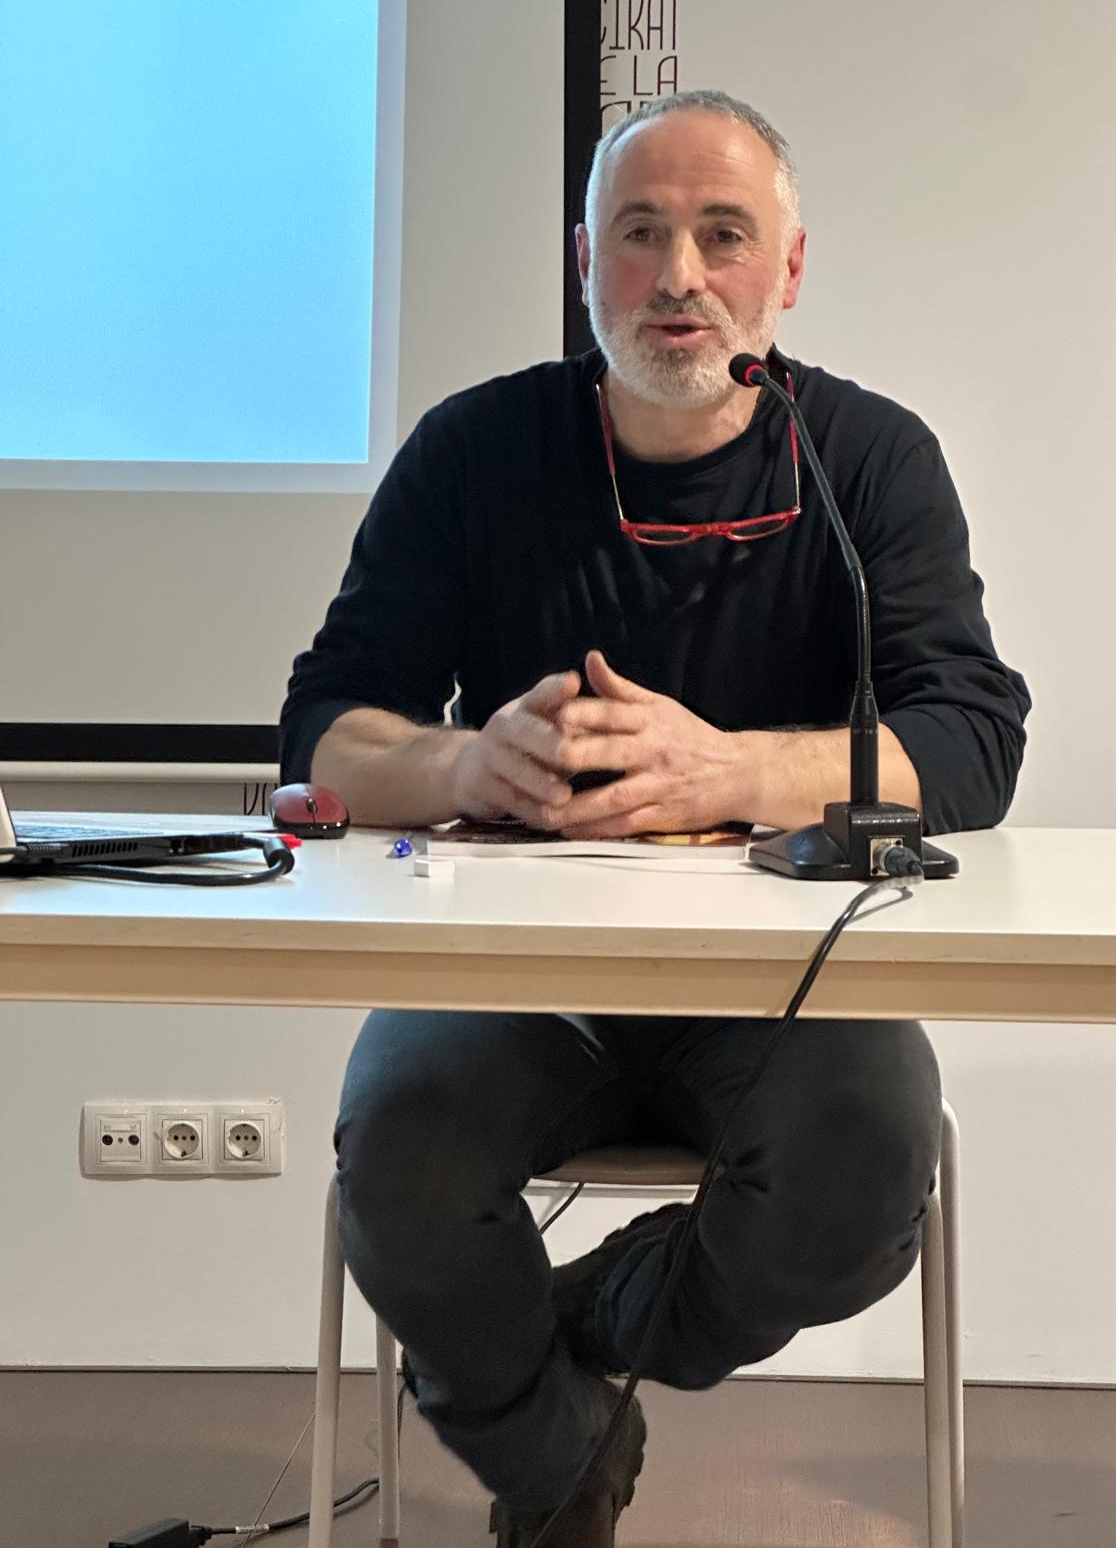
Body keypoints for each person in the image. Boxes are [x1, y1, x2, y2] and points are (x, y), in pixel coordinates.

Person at [281, 90, 1030, 1547]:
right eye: (639, 233)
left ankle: (567, 1338)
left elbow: (971, 739)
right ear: (585, 264)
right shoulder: (476, 449)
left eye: (722, 234)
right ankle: (561, 1454)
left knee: (865, 1173)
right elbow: (326, 728)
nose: (679, 275)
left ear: (788, 269)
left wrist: (728, 773)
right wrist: (462, 768)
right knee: (400, 1158)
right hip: (513, 973)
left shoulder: (868, 460)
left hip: (785, 984)